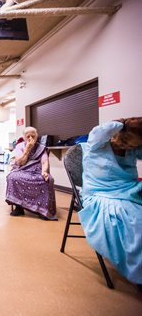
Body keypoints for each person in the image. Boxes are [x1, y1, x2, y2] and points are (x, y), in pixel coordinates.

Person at [78, 118, 142, 285]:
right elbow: (98, 131)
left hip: (129, 189)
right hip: (101, 193)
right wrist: (123, 122)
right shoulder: (97, 146)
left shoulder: (133, 149)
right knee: (135, 220)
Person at [5, 126, 57, 219]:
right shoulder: (19, 146)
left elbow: (45, 161)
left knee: (48, 179)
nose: (30, 138)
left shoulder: (41, 148)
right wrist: (27, 150)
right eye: (28, 136)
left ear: (37, 136)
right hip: (22, 169)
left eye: (33, 136)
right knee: (13, 177)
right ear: (24, 137)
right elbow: (21, 162)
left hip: (37, 171)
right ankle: (19, 207)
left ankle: (43, 210)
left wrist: (44, 171)